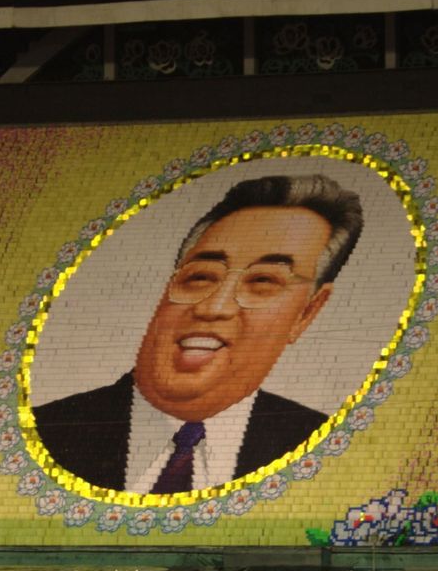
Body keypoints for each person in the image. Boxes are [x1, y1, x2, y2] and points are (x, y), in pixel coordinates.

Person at [30, 173, 362, 494]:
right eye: (201, 277)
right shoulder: (47, 433)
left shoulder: (318, 442)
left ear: (306, 313)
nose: (213, 307)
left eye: (263, 281)